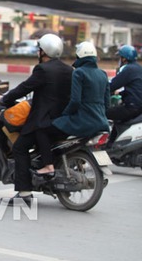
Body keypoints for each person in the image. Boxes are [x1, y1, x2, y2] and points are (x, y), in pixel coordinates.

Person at [0, 34, 73, 206]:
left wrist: (5, 99)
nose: (38, 52)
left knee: (20, 147)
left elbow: (25, 87)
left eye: (39, 49)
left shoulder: (43, 69)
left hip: (42, 121)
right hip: (61, 121)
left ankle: (24, 194)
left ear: (44, 51)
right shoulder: (68, 69)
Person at [32, 42, 110, 175]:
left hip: (82, 120)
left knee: (42, 130)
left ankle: (48, 165)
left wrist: (64, 115)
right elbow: (107, 103)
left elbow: (75, 101)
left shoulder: (79, 73)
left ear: (79, 56)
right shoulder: (103, 74)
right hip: (101, 121)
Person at [106, 44, 142, 124]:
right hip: (139, 107)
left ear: (124, 59)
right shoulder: (138, 68)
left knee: (104, 113)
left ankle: (110, 136)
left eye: (120, 57)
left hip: (132, 107)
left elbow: (111, 86)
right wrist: (120, 93)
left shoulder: (128, 69)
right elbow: (136, 89)